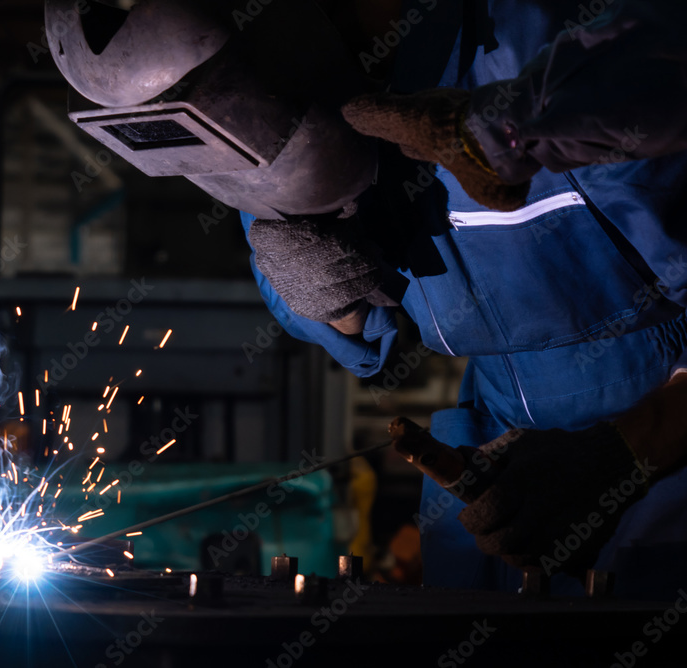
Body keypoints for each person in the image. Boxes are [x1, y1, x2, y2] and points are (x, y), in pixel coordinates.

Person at [48, 0, 687, 599]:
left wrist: (630, 449)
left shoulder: (566, 48)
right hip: (495, 438)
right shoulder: (277, 88)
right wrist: (322, 284)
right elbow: (350, 324)